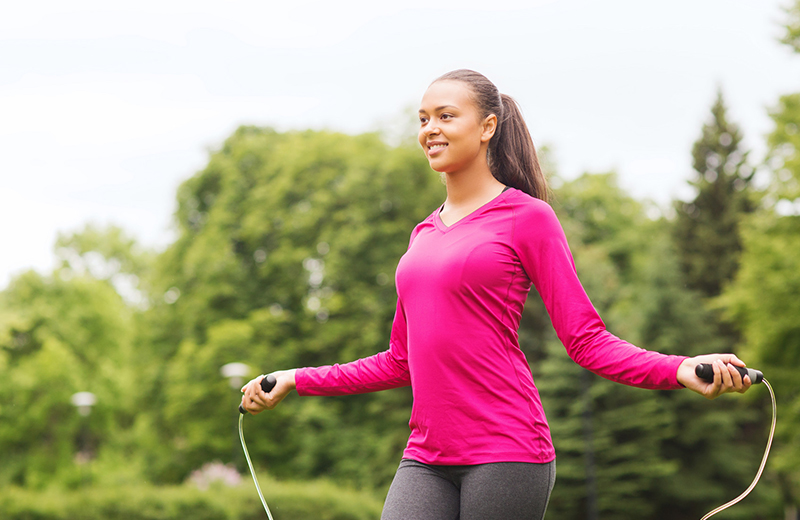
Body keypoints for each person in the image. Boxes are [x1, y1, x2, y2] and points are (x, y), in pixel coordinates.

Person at [240, 69, 751, 520]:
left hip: (507, 451)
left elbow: (586, 340)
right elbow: (400, 361)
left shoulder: (527, 218)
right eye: (422, 119)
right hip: (426, 457)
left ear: (487, 127)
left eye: (445, 115)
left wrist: (677, 368)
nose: (430, 129)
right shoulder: (422, 235)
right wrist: (295, 379)